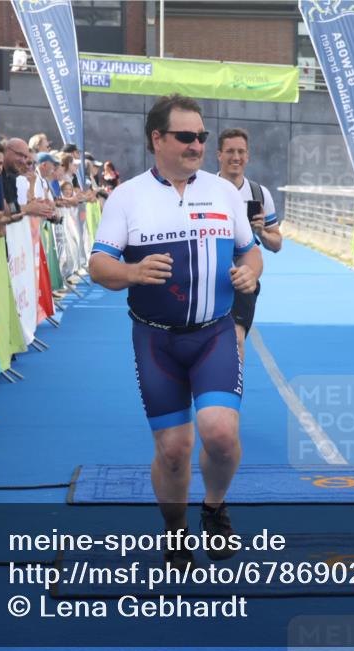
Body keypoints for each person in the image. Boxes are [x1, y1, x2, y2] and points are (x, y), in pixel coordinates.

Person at [88, 94, 262, 570]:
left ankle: (214, 507)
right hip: (156, 338)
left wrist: (250, 273)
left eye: (201, 137)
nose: (197, 145)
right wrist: (133, 272)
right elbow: (98, 266)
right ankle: (176, 529)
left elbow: (250, 252)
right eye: (186, 137)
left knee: (220, 434)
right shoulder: (127, 196)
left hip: (214, 334)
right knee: (173, 450)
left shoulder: (225, 192)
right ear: (157, 139)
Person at [216, 127, 282, 359]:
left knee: (236, 340)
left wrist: (262, 231)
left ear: (248, 156)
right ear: (219, 155)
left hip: (243, 275)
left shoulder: (259, 193)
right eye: (230, 151)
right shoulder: (205, 190)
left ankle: (231, 392)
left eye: (241, 152)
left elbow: (276, 243)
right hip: (209, 276)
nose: (236, 157)